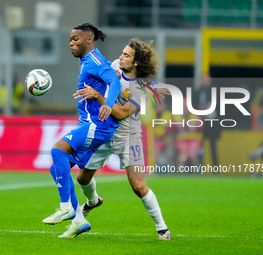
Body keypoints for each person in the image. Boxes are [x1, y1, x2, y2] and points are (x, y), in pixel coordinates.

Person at [73, 38, 172, 240]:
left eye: (126, 55)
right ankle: (93, 202)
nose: (120, 57)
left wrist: (98, 96)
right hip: (104, 131)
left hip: (129, 136)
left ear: (136, 63)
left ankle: (162, 228)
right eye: (122, 53)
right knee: (82, 178)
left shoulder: (142, 89)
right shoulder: (115, 66)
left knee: (138, 185)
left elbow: (120, 113)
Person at [42, 23, 121, 238]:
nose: (71, 43)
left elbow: (113, 79)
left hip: (97, 125)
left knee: (57, 150)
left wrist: (108, 102)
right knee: (57, 168)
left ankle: (65, 206)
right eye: (70, 39)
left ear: (88, 39)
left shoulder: (95, 60)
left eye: (75, 39)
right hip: (92, 126)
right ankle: (78, 220)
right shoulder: (87, 61)